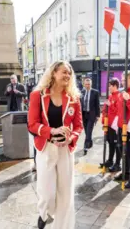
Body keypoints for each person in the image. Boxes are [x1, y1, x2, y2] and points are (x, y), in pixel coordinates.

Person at [28, 61, 82, 229]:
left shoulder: (74, 98)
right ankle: (44, 215)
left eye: (69, 73)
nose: (67, 75)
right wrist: (51, 131)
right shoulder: (38, 95)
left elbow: (79, 126)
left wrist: (71, 137)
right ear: (53, 73)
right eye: (64, 72)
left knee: (66, 193)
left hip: (65, 149)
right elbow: (32, 124)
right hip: (46, 148)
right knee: (48, 193)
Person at [102, 78, 121, 172]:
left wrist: (110, 105)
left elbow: (119, 111)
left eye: (110, 86)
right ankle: (110, 160)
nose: (108, 87)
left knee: (117, 144)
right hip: (109, 124)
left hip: (115, 125)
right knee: (110, 143)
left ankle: (117, 164)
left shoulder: (119, 96)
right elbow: (105, 109)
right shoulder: (110, 96)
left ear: (115, 86)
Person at [80, 78, 100, 155]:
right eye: (86, 84)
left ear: (91, 84)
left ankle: (85, 147)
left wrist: (98, 115)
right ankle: (90, 142)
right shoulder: (82, 92)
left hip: (91, 115)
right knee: (86, 131)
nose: (87, 85)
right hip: (83, 114)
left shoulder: (95, 92)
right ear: (84, 84)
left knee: (88, 131)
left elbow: (97, 104)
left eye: (89, 84)